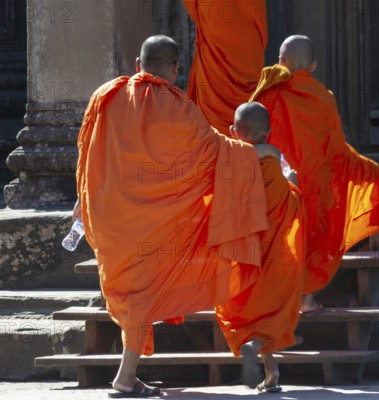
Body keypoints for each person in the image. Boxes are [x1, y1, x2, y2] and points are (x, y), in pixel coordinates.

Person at [75, 35, 272, 398]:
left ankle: (127, 376)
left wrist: (81, 205)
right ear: (176, 69)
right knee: (142, 292)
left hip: (111, 218)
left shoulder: (106, 96)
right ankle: (124, 377)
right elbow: (216, 153)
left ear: (138, 63)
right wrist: (257, 151)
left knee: (133, 294)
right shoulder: (180, 108)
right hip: (156, 224)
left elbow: (86, 154)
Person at [250, 35, 379, 314]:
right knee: (318, 231)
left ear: (280, 63)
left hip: (277, 181)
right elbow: (334, 149)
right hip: (315, 184)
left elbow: (253, 134)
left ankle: (271, 299)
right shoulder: (323, 97)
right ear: (315, 64)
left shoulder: (269, 93)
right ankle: (305, 299)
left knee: (280, 236)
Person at [215, 102, 304, 393]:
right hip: (274, 257)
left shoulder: (227, 165)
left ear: (232, 131)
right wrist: (291, 183)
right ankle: (268, 361)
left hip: (241, 256)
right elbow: (291, 206)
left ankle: (265, 358)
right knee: (272, 306)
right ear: (269, 131)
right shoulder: (273, 166)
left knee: (244, 305)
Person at [184, 0, 268, 136]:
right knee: (252, 121)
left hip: (215, 25)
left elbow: (193, 7)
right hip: (249, 45)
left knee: (214, 140)